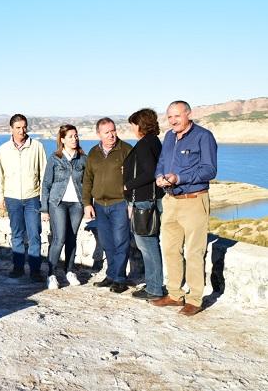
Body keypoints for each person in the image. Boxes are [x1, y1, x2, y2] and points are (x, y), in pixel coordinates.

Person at [151, 101, 217, 316]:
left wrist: (179, 178)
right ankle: (174, 294)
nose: (173, 121)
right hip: (170, 201)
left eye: (177, 116)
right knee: (170, 248)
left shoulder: (203, 136)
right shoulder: (169, 136)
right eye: (169, 117)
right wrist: (159, 177)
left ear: (189, 114)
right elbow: (161, 162)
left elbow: (209, 170)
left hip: (194, 200)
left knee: (194, 251)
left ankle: (195, 299)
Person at [82, 117, 133, 293]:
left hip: (119, 203)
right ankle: (111, 275)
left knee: (121, 242)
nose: (112, 135)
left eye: (113, 130)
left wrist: (131, 202)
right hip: (99, 205)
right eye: (107, 132)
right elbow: (88, 179)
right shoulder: (94, 152)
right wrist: (87, 203)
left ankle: (120, 278)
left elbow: (134, 178)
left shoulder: (126, 150)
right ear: (99, 134)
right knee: (107, 243)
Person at [0, 114, 47, 282]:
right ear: (11, 129)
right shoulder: (3, 149)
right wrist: (0, 196)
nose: (21, 130)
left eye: (24, 127)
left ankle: (35, 271)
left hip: (33, 198)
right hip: (12, 198)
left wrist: (43, 199)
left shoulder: (37, 146)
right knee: (17, 234)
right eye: (18, 127)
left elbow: (44, 173)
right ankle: (17, 268)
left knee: (34, 235)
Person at [123, 109, 165, 300]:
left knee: (147, 245)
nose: (132, 128)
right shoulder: (154, 142)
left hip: (144, 201)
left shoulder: (144, 144)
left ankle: (154, 289)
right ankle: (153, 285)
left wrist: (127, 184)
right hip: (150, 199)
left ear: (141, 124)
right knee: (149, 243)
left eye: (133, 124)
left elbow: (150, 173)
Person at [40, 124, 87, 290]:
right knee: (59, 238)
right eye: (70, 136)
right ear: (62, 139)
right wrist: (44, 209)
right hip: (57, 203)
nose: (74, 139)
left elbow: (87, 184)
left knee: (72, 238)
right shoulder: (54, 158)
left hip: (77, 204)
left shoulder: (83, 158)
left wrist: (88, 204)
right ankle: (51, 274)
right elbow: (46, 184)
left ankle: (69, 271)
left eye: (76, 136)